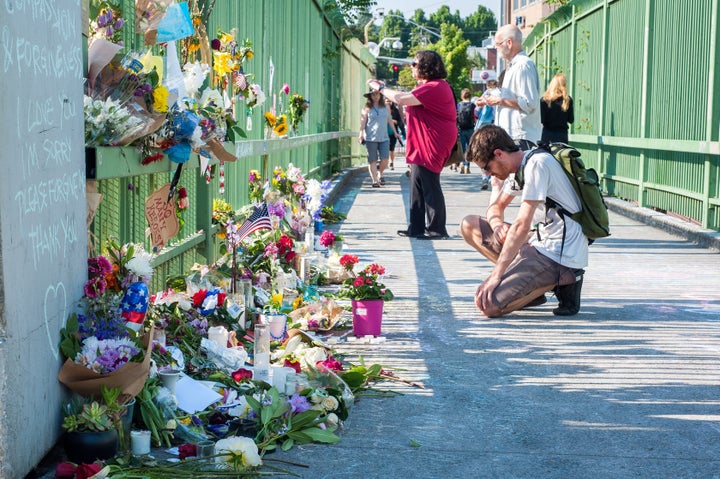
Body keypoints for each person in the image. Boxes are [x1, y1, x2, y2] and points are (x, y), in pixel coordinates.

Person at [462, 124, 588, 317]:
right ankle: (531, 293)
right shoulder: (520, 167)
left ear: (499, 154)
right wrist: (497, 227)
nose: (487, 174)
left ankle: (566, 278)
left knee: (490, 305)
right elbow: (496, 207)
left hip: (558, 253)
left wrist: (496, 276)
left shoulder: (537, 164)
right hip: (539, 241)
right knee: (469, 224)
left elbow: (521, 225)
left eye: (487, 168)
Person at [366, 50, 457, 240]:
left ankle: (437, 228)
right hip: (423, 141)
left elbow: (400, 98)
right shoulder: (429, 86)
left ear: (426, 66)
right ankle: (416, 226)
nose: (411, 67)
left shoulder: (435, 86)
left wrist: (381, 88)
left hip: (432, 141)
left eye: (414, 64)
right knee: (417, 183)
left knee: (429, 183)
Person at [477, 24, 541, 150]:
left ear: (509, 43)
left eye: (498, 44)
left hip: (520, 136)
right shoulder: (515, 65)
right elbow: (514, 97)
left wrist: (499, 101)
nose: (496, 47)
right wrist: (491, 100)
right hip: (514, 135)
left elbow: (528, 102)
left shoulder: (522, 65)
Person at [359, 89, 399, 188]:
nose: (375, 96)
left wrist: (395, 132)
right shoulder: (366, 108)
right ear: (370, 96)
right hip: (370, 138)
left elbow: (389, 120)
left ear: (381, 96)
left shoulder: (386, 107)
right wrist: (361, 134)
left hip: (384, 137)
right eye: (373, 95)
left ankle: (380, 173)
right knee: (372, 160)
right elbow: (363, 123)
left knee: (385, 159)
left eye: (377, 94)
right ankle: (374, 180)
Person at [540, 73, 574, 143]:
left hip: (547, 135)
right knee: (561, 153)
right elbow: (571, 120)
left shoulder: (544, 100)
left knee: (547, 154)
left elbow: (541, 120)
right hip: (562, 136)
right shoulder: (567, 100)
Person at [455, 88, 475, 174]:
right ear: (470, 95)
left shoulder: (458, 105)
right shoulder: (473, 105)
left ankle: (462, 164)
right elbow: (476, 116)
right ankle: (467, 166)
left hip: (461, 129)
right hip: (470, 128)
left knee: (462, 148)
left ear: (461, 96)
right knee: (469, 148)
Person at [386, 99, 405, 171]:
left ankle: (391, 162)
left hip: (393, 133)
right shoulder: (381, 110)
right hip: (383, 133)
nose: (388, 102)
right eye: (386, 101)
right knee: (384, 148)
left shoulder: (395, 111)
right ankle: (384, 161)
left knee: (391, 148)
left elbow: (399, 122)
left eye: (389, 101)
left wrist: (392, 121)